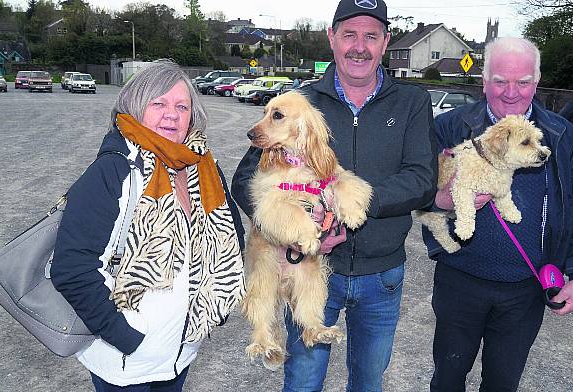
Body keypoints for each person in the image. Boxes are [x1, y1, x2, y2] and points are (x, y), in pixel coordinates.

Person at [231, 0, 436, 390]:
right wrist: (286, 224)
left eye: (371, 36)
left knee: (368, 380)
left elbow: (422, 179)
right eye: (349, 35)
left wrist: (342, 205)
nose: (359, 46)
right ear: (331, 38)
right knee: (303, 381)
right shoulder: (301, 104)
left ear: (386, 42)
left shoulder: (412, 102)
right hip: (309, 264)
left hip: (382, 274)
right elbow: (244, 180)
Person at [51, 60, 245, 391]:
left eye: (182, 106)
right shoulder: (114, 171)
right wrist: (125, 334)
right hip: (126, 363)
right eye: (159, 103)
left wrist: (216, 305)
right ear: (136, 105)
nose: (172, 114)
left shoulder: (203, 168)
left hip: (181, 355)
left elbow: (233, 238)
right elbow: (72, 267)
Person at [422, 37, 573, 392]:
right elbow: (416, 193)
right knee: (447, 379)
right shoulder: (449, 127)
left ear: (537, 80)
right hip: (460, 281)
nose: (511, 92)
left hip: (525, 290)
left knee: (503, 383)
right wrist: (441, 200)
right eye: (500, 80)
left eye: (523, 81)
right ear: (484, 81)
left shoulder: (563, 136)